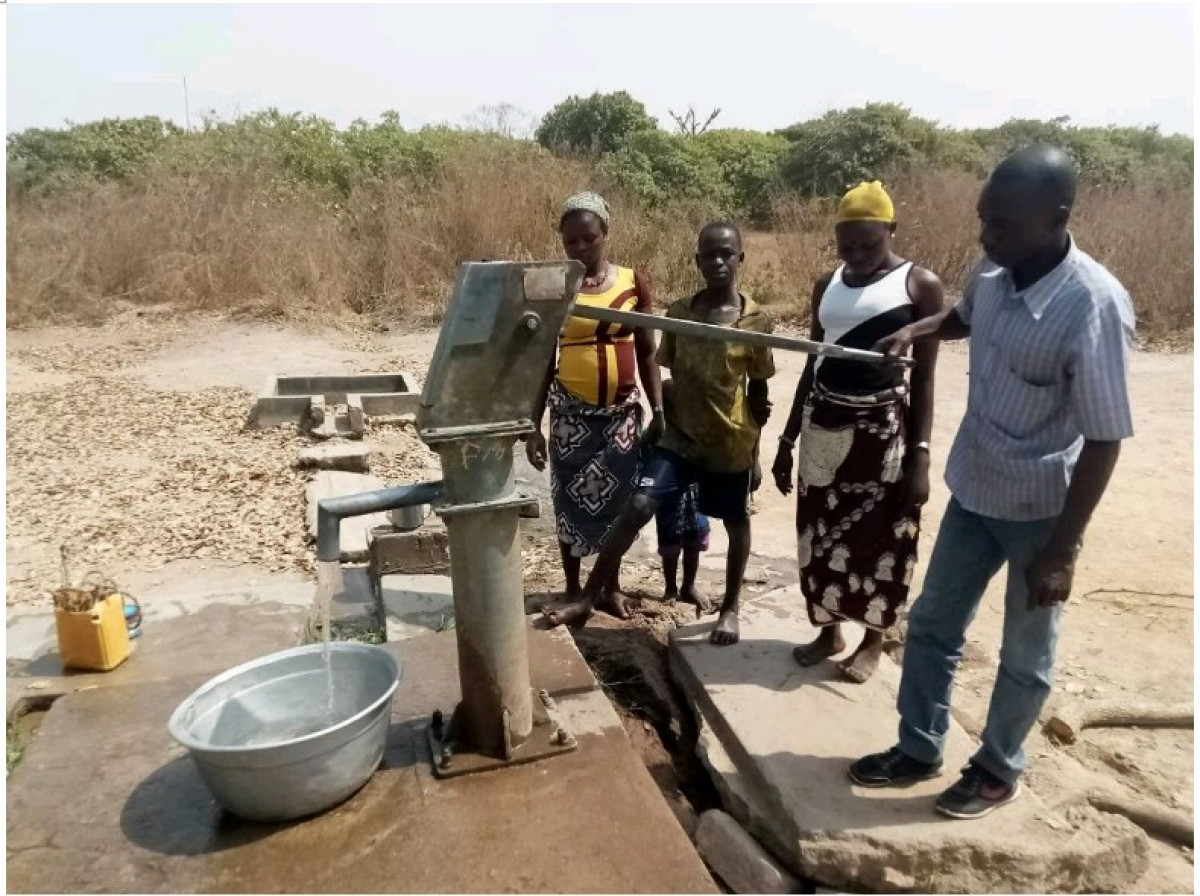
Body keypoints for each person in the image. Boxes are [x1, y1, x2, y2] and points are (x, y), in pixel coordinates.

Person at [849, 146, 1135, 820]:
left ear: (1057, 218)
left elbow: (1104, 437)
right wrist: (921, 328)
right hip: (974, 489)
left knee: (1025, 653)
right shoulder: (996, 266)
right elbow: (967, 315)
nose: (987, 236)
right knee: (932, 625)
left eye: (1002, 224)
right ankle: (918, 748)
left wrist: (1064, 550)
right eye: (984, 221)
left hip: (1040, 512)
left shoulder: (1092, 307)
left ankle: (997, 768)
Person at [544, 222, 774, 643]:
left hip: (730, 442)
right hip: (681, 438)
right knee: (638, 505)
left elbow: (758, 395)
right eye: (709, 254)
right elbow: (665, 371)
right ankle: (588, 595)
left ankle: (730, 609)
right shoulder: (682, 313)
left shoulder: (755, 320)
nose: (718, 262)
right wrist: (660, 417)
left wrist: (756, 455)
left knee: (736, 522)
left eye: (726, 254)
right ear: (697, 260)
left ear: (741, 258)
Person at [772, 181, 945, 684]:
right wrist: (786, 440)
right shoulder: (827, 285)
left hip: (883, 431)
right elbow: (813, 363)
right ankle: (828, 631)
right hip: (824, 422)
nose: (858, 255)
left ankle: (873, 639)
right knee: (817, 532)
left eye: (869, 244)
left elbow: (926, 377)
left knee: (881, 537)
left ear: (891, 229)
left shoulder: (920, 285)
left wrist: (922, 456)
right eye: (847, 246)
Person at [527, 192, 664, 618]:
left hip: (621, 415)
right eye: (572, 242)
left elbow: (647, 352)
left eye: (589, 238)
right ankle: (572, 587)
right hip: (571, 416)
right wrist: (534, 424)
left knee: (620, 503)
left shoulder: (631, 282)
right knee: (567, 499)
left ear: (606, 233)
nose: (581, 248)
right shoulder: (558, 288)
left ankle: (609, 586)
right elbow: (543, 362)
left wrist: (658, 410)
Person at [655, 378, 712, 610]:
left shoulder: (702, 433)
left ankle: (688, 586)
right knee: (670, 546)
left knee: (694, 542)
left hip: (697, 499)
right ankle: (670, 587)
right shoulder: (662, 435)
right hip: (670, 501)